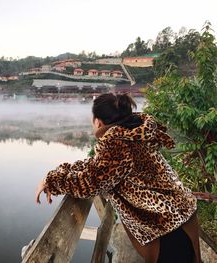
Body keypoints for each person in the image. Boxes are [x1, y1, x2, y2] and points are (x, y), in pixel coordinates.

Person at [35, 93, 201, 263]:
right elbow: (96, 166)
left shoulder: (116, 142)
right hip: (179, 217)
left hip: (166, 228)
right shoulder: (132, 132)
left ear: (98, 121)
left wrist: (52, 181)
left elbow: (90, 183)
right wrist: (58, 173)